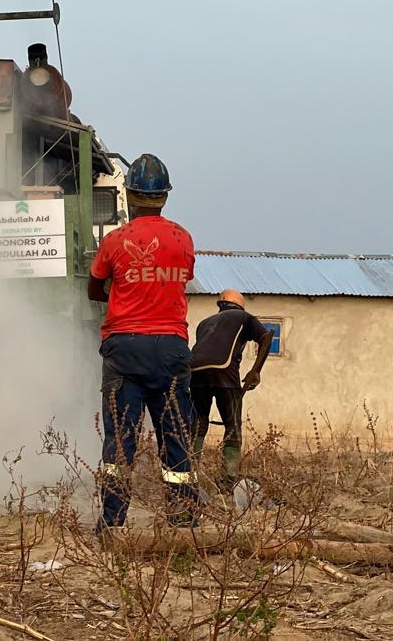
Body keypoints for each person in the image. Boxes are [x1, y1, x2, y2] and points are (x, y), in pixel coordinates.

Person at [87, 154, 196, 531]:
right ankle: (183, 520)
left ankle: (112, 522)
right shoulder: (183, 238)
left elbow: (93, 287)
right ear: (164, 196)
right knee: (176, 437)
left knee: (119, 443)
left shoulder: (116, 240)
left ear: (130, 194)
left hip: (124, 348)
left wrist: (122, 292)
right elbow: (180, 279)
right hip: (170, 348)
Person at [190, 288, 273, 491]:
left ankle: (189, 474)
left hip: (194, 371)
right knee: (233, 426)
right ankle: (229, 479)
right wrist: (255, 372)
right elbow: (266, 339)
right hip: (224, 372)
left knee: (198, 424)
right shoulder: (244, 317)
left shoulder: (204, 323)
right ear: (240, 305)